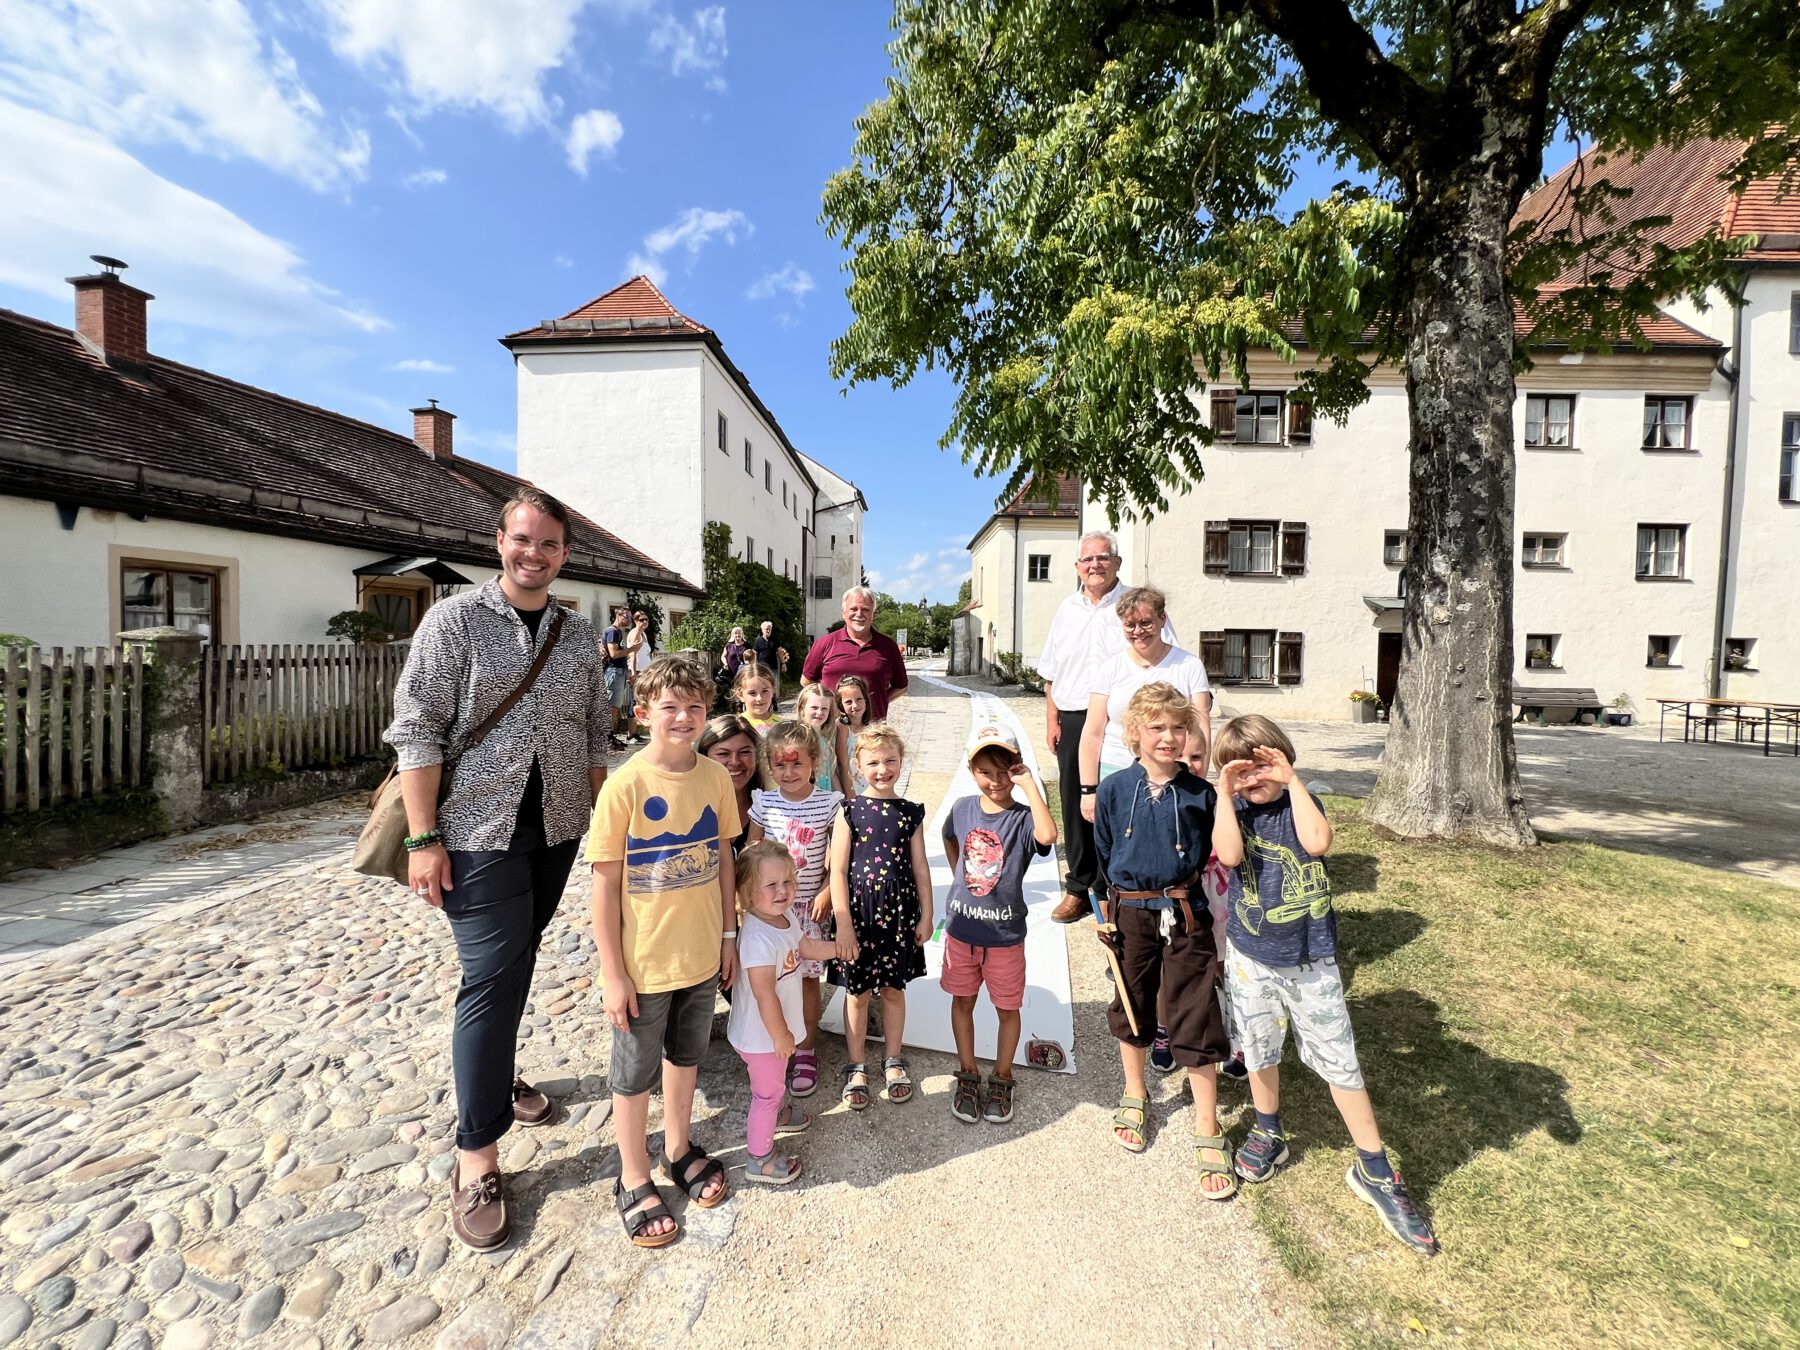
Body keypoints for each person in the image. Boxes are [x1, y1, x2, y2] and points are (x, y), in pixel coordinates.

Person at [385, 486, 611, 1252]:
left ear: (564, 554)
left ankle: (499, 1079)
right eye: (523, 540)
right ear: (499, 541)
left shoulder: (580, 637)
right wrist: (423, 839)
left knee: (518, 962)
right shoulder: (454, 621)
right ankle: (475, 1155)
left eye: (549, 544)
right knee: (488, 976)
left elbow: (593, 731)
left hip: (555, 830)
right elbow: (415, 729)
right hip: (476, 831)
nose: (534, 553)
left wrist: (598, 814)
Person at [1211, 715, 1439, 1255]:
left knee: (1338, 1058)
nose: (1254, 778)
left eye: (1263, 764)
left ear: (1284, 758)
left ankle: (1376, 1170)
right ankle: (1268, 1129)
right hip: (1252, 955)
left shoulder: (1301, 802)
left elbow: (1317, 843)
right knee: (1261, 1048)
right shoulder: (1235, 809)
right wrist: (1226, 790)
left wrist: (1291, 782)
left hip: (1309, 957)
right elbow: (1228, 856)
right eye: (1242, 769)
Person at [589, 654, 741, 1249]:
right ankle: (632, 1173)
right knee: (633, 1073)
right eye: (670, 707)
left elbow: (724, 858)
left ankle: (678, 1146)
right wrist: (612, 971)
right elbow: (603, 882)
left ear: (707, 714)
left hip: (702, 955)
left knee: (686, 1054)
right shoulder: (625, 786)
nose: (683, 717)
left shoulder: (714, 778)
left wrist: (729, 936)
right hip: (644, 962)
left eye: (695, 707)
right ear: (644, 711)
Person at [1092, 683, 1233, 1199]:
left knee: (1195, 1010)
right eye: (1157, 728)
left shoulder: (1201, 792)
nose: (1169, 737)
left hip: (1184, 912)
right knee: (1132, 1005)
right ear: (1135, 734)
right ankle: (1135, 1093)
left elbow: (1218, 853)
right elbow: (1103, 852)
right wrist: (1107, 910)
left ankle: (1207, 1126)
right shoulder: (1112, 789)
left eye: (1179, 727)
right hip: (1130, 911)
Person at [1036, 532, 1174, 924]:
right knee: (1077, 801)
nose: (1094, 565)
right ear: (1077, 567)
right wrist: (1052, 718)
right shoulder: (1066, 608)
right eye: (1086, 560)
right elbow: (1052, 670)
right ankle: (1080, 886)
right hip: (1077, 717)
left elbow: (1168, 655)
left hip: (1128, 719)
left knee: (1127, 801)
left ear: (1116, 562)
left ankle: (1119, 884)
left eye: (1102, 558)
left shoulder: (1137, 605)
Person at [940, 726, 1057, 1125]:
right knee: (962, 1002)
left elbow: (1048, 835)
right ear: (972, 770)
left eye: (1005, 770)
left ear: (1017, 769)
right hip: (961, 930)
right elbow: (950, 840)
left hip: (1005, 936)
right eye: (985, 771)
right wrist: (961, 876)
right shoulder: (961, 808)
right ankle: (968, 1072)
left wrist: (1030, 786)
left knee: (1007, 1007)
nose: (995, 781)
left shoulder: (1023, 818)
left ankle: (1002, 1075)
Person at [725, 842, 853, 1185]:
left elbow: (806, 947)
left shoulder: (784, 917)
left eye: (788, 882)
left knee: (774, 1082)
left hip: (770, 1034)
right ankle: (760, 1159)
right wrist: (781, 1035)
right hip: (761, 1035)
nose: (783, 890)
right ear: (748, 894)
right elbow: (763, 992)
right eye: (771, 885)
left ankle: (778, 1114)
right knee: (765, 1093)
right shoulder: (756, 937)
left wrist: (840, 950)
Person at [826, 722, 934, 1111]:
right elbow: (837, 870)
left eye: (890, 760)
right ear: (857, 765)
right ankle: (856, 1065)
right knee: (856, 994)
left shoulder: (910, 813)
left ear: (902, 761)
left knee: (893, 990)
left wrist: (927, 915)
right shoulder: (850, 811)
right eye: (873, 761)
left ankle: (892, 1058)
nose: (882, 768)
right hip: (859, 917)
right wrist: (843, 924)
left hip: (899, 917)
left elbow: (920, 867)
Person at [746, 722, 843, 1101]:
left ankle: (805, 1049)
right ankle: (775, 1038)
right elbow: (752, 854)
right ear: (770, 765)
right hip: (770, 913)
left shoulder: (828, 804)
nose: (788, 772)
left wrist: (826, 892)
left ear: (814, 763)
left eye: (796, 764)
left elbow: (837, 857)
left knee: (805, 981)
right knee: (773, 981)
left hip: (809, 909)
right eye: (779, 765)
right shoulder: (764, 803)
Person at [1078, 585, 1212, 818]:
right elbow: (1093, 730)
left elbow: (1200, 725)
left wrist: (1198, 776)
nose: (1138, 631)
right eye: (1130, 625)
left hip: (1173, 772)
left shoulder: (1189, 665)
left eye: (1146, 623)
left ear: (1162, 619)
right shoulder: (1110, 668)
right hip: (1116, 768)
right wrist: (1088, 790)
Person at [801, 586, 908, 720]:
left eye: (865, 610)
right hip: (832, 728)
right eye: (853, 609)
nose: (859, 614)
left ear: (873, 615)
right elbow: (807, 681)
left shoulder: (888, 646)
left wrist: (875, 702)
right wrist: (828, 704)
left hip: (871, 730)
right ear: (843, 612)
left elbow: (901, 686)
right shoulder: (825, 644)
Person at [698, 713, 763, 857]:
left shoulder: (771, 808)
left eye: (745, 752)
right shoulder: (692, 810)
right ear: (704, 756)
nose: (735, 761)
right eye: (723, 754)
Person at [832, 674, 874, 796]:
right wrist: (851, 798)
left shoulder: (869, 728)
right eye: (848, 702)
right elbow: (843, 765)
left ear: (865, 699)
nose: (855, 705)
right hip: (850, 786)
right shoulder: (843, 727)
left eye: (859, 699)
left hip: (866, 785)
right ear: (841, 705)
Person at [794, 683, 840, 793]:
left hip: (826, 797)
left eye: (824, 709)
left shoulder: (827, 738)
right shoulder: (796, 739)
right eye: (814, 707)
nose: (819, 712)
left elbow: (831, 773)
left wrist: (842, 799)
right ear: (802, 708)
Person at [602, 605, 636, 750]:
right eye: (627, 617)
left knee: (616, 706)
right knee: (612, 706)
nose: (629, 620)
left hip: (619, 670)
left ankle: (610, 736)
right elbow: (614, 654)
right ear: (618, 615)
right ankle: (607, 737)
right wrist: (632, 650)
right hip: (613, 671)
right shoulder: (612, 632)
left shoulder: (618, 633)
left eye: (631, 618)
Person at [628, 610, 655, 740]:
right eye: (641, 620)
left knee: (642, 700)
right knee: (635, 701)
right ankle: (631, 734)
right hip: (637, 671)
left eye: (646, 620)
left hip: (644, 672)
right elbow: (632, 654)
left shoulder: (642, 633)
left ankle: (634, 732)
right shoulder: (635, 633)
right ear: (635, 621)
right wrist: (633, 673)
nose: (644, 622)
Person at [733, 663, 781, 734]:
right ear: (740, 695)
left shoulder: (782, 725)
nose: (759, 698)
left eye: (765, 691)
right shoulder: (735, 726)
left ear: (773, 691)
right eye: (752, 693)